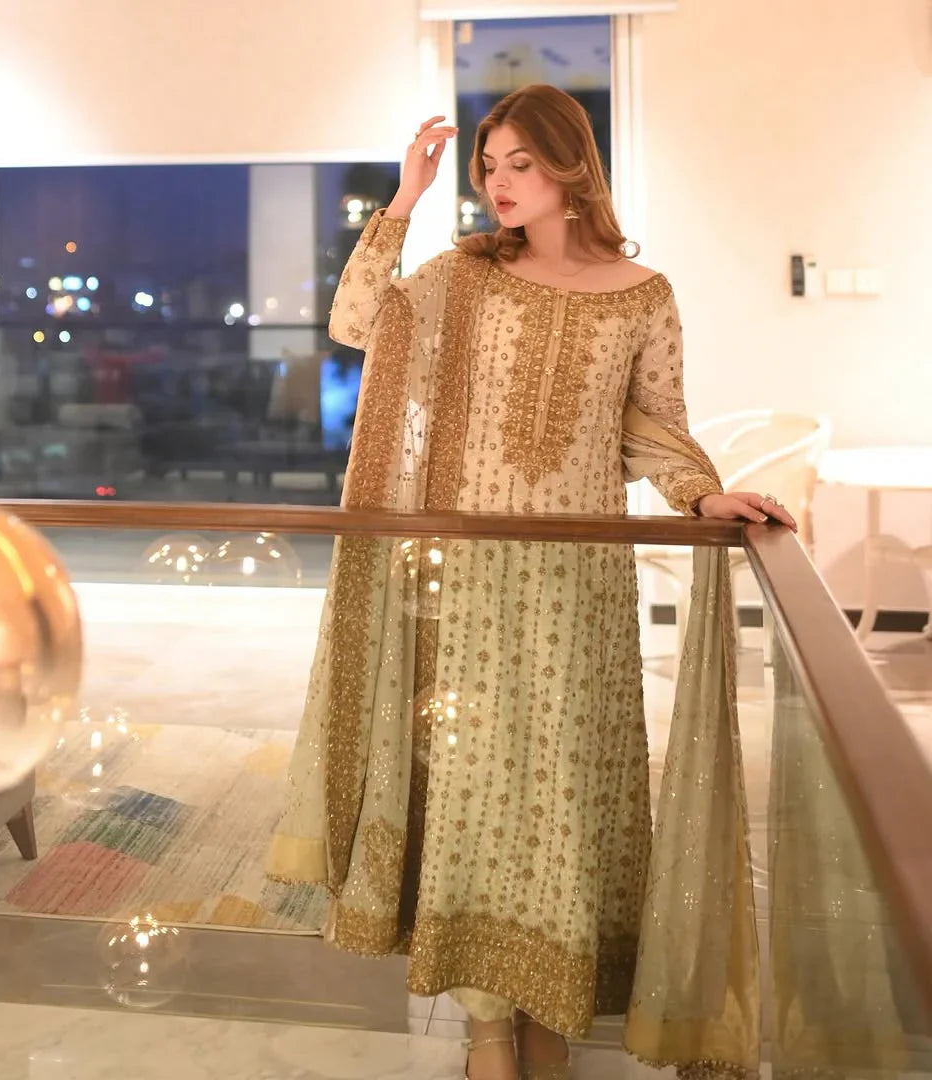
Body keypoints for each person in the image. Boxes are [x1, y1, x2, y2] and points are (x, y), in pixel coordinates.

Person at [268, 84, 795, 1080]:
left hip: (579, 588)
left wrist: (701, 494)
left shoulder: (644, 294)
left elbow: (655, 428)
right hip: (466, 584)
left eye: (520, 163)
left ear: (572, 166)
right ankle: (488, 1028)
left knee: (563, 792)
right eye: (489, 166)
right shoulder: (462, 277)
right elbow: (353, 322)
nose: (499, 184)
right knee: (474, 791)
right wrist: (404, 199)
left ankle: (552, 1005)